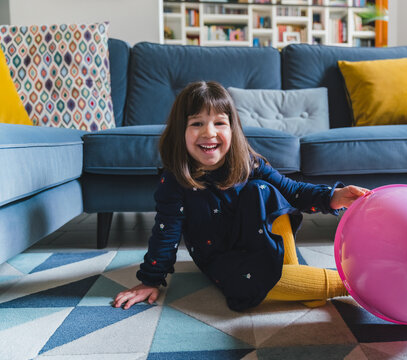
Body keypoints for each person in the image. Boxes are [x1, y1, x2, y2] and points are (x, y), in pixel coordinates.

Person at [113, 81, 370, 311]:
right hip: (221, 257)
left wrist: (333, 196)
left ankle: (302, 278)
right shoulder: (175, 181)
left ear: (232, 129)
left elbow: (293, 191)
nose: (209, 132)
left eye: (219, 123)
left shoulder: (248, 162)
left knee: (264, 189)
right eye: (196, 124)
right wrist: (150, 279)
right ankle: (361, 284)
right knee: (247, 284)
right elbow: (165, 231)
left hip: (259, 240)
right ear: (181, 132)